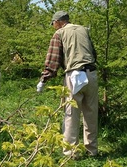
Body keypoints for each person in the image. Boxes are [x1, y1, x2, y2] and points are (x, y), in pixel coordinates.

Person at [36, 10, 99, 158]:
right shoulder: (84, 30)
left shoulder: (60, 33)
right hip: (91, 74)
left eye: (53, 23)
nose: (53, 26)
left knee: (71, 114)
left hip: (74, 75)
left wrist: (44, 79)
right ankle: (92, 150)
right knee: (91, 113)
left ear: (58, 22)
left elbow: (53, 60)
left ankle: (71, 152)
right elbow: (93, 54)